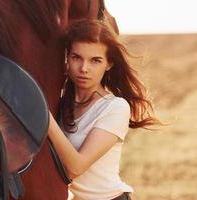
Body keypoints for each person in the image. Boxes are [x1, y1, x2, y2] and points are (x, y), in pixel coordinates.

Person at [48, 19, 160, 200]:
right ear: (67, 58)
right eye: (77, 57)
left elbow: (76, 167)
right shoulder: (62, 104)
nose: (84, 68)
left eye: (95, 61)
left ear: (109, 64)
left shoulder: (115, 107)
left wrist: (45, 119)